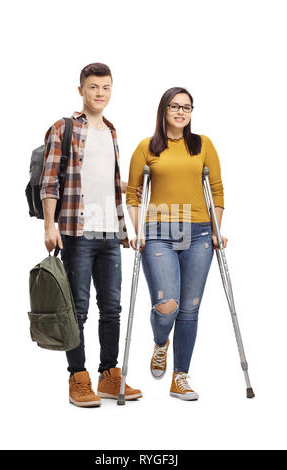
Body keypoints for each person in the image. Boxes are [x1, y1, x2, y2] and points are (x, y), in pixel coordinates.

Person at [40, 62, 142, 407]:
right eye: (94, 87)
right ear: (81, 89)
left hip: (110, 233)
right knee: (77, 310)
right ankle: (78, 378)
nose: (100, 94)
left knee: (111, 308)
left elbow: (106, 183)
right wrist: (49, 224)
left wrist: (126, 220)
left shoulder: (112, 131)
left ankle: (109, 376)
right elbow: (49, 180)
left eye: (106, 88)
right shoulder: (64, 128)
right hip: (77, 232)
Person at [126, 87, 227, 401]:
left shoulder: (203, 145)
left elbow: (217, 191)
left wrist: (215, 230)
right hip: (158, 231)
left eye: (187, 107)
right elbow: (133, 194)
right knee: (167, 304)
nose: (181, 112)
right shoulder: (147, 147)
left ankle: (180, 377)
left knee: (189, 310)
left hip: (198, 234)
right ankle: (160, 343)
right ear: (164, 110)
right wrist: (137, 229)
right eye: (175, 106)